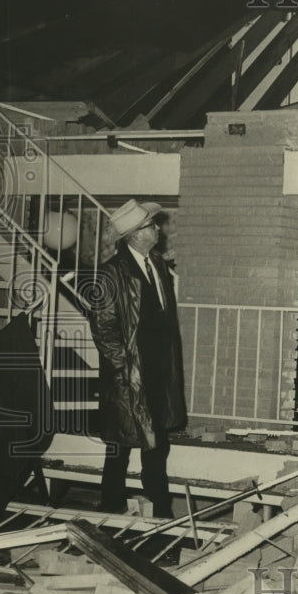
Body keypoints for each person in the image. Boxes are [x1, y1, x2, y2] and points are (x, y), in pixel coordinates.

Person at [89, 199, 186, 517]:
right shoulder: (110, 274)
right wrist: (124, 372)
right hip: (128, 380)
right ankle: (110, 512)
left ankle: (160, 516)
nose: (157, 229)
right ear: (133, 235)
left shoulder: (158, 266)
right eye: (150, 225)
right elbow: (104, 332)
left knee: (157, 449)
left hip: (158, 377)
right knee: (119, 451)